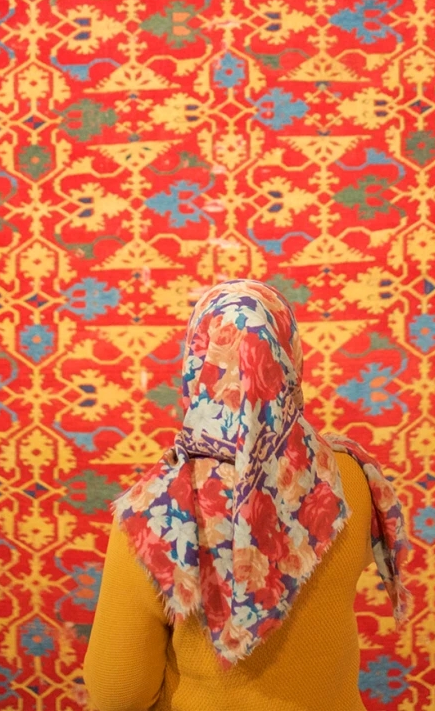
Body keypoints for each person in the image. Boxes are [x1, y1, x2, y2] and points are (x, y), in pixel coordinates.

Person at [83, 279, 410, 711]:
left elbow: (117, 691)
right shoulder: (350, 476)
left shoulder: (154, 511)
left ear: (196, 361)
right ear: (287, 356)